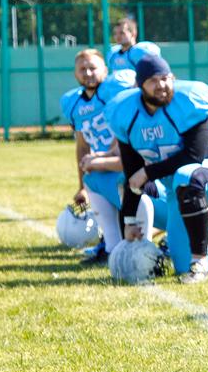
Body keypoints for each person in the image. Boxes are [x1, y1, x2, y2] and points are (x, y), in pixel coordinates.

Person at [105, 53, 208, 284]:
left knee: (187, 174)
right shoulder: (127, 115)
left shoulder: (189, 101)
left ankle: (199, 262)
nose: (161, 85)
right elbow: (133, 175)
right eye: (153, 80)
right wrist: (129, 222)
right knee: (182, 264)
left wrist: (148, 172)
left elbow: (193, 156)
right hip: (179, 189)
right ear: (140, 85)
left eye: (165, 78)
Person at [59, 50, 156, 263]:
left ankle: (143, 245)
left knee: (128, 192)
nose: (88, 73)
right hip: (103, 166)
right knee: (91, 180)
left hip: (129, 163)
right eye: (82, 69)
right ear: (75, 73)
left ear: (105, 70)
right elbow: (82, 145)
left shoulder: (115, 88)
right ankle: (111, 247)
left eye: (93, 68)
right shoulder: (72, 103)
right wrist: (81, 186)